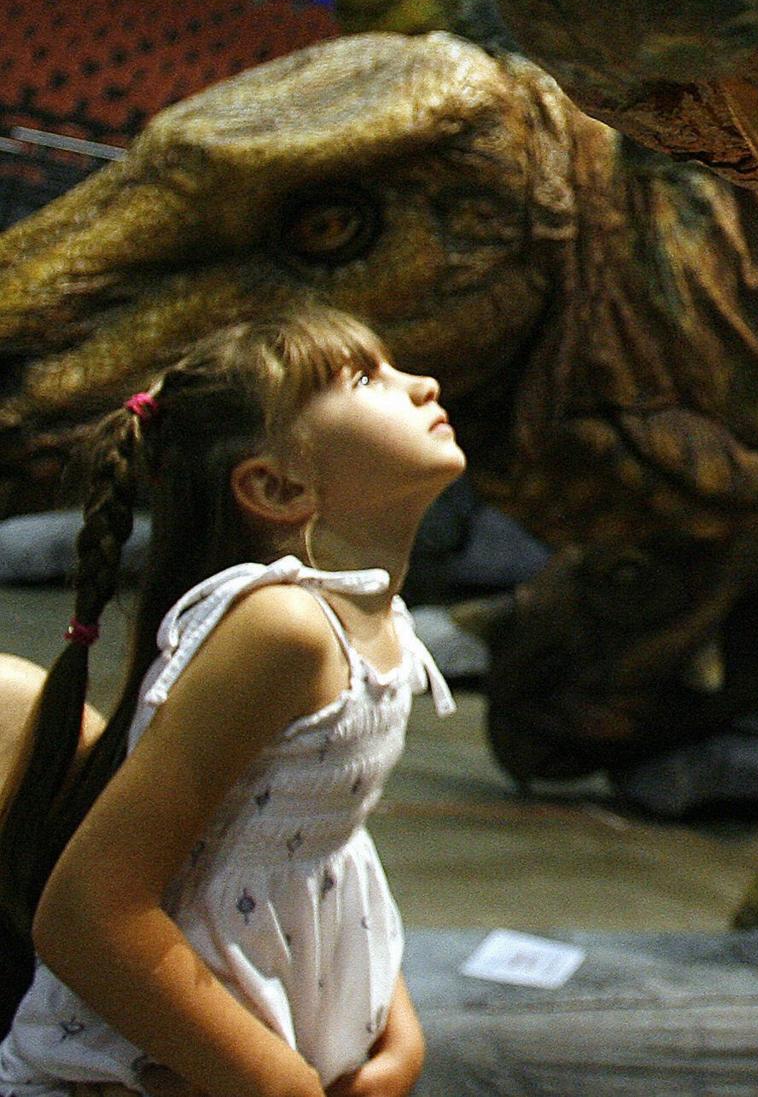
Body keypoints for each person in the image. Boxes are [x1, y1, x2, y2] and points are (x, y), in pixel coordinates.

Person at [0, 308, 463, 1097]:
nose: (424, 383)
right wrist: (279, 1084)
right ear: (277, 484)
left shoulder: (378, 620)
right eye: (365, 377)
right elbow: (84, 914)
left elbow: (320, 839)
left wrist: (398, 1033)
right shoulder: (283, 626)